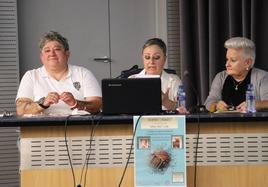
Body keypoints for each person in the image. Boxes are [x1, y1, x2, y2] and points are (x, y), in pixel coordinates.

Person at [16, 31, 102, 116]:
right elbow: (21, 109)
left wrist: (76, 103)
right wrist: (42, 103)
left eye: (57, 49)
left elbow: (97, 105)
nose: (52, 54)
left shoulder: (83, 73)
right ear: (41, 57)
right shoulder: (31, 76)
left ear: (67, 54)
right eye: (47, 50)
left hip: (79, 127)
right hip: (40, 128)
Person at [204, 37, 268, 112]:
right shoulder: (221, 77)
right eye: (227, 59)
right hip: (224, 123)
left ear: (248, 62)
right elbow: (208, 102)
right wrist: (216, 105)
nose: (227, 64)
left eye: (233, 60)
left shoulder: (262, 77)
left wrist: (253, 104)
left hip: (253, 123)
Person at [129, 38, 186, 112]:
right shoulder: (131, 80)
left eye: (156, 57)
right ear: (142, 58)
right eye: (147, 57)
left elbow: (183, 109)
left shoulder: (175, 80)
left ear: (164, 59)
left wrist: (167, 102)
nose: (151, 62)